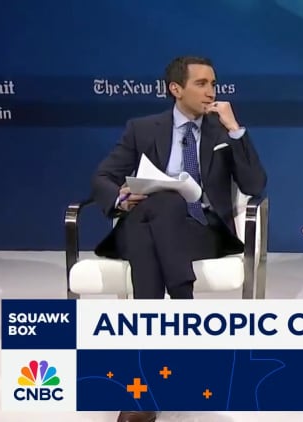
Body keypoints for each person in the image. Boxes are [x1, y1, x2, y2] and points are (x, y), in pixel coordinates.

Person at [91, 56, 267, 422]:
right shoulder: (142, 128)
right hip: (149, 226)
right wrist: (121, 198)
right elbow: (103, 177)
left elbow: (254, 185)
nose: (211, 92)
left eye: (213, 84)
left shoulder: (221, 131)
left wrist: (235, 129)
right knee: (160, 205)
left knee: (165, 205)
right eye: (201, 84)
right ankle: (182, 313)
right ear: (176, 89)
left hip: (202, 231)